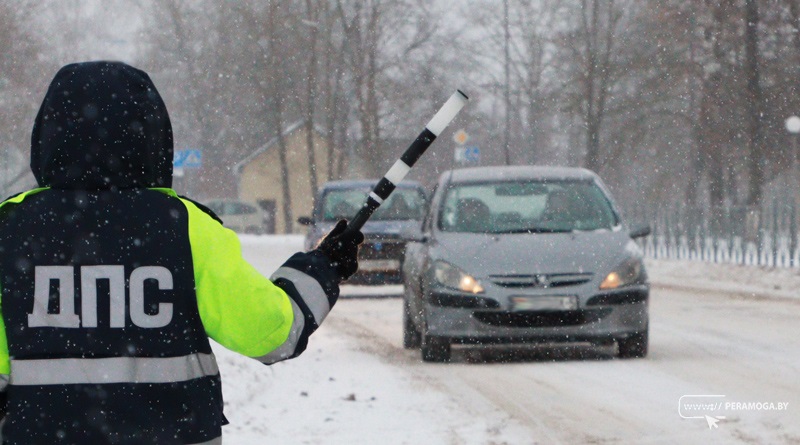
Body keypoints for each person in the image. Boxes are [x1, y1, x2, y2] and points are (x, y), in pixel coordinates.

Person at [0, 61, 363, 444]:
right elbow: (271, 332)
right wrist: (322, 268)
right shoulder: (185, 229)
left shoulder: (10, 231)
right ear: (153, 138)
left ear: (48, 136)